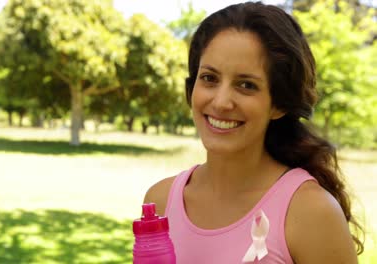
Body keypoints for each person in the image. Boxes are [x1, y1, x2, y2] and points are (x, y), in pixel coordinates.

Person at [143, 2, 364, 263]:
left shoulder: (310, 212)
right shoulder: (159, 202)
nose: (221, 102)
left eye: (246, 85)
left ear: (279, 104)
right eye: (209, 78)